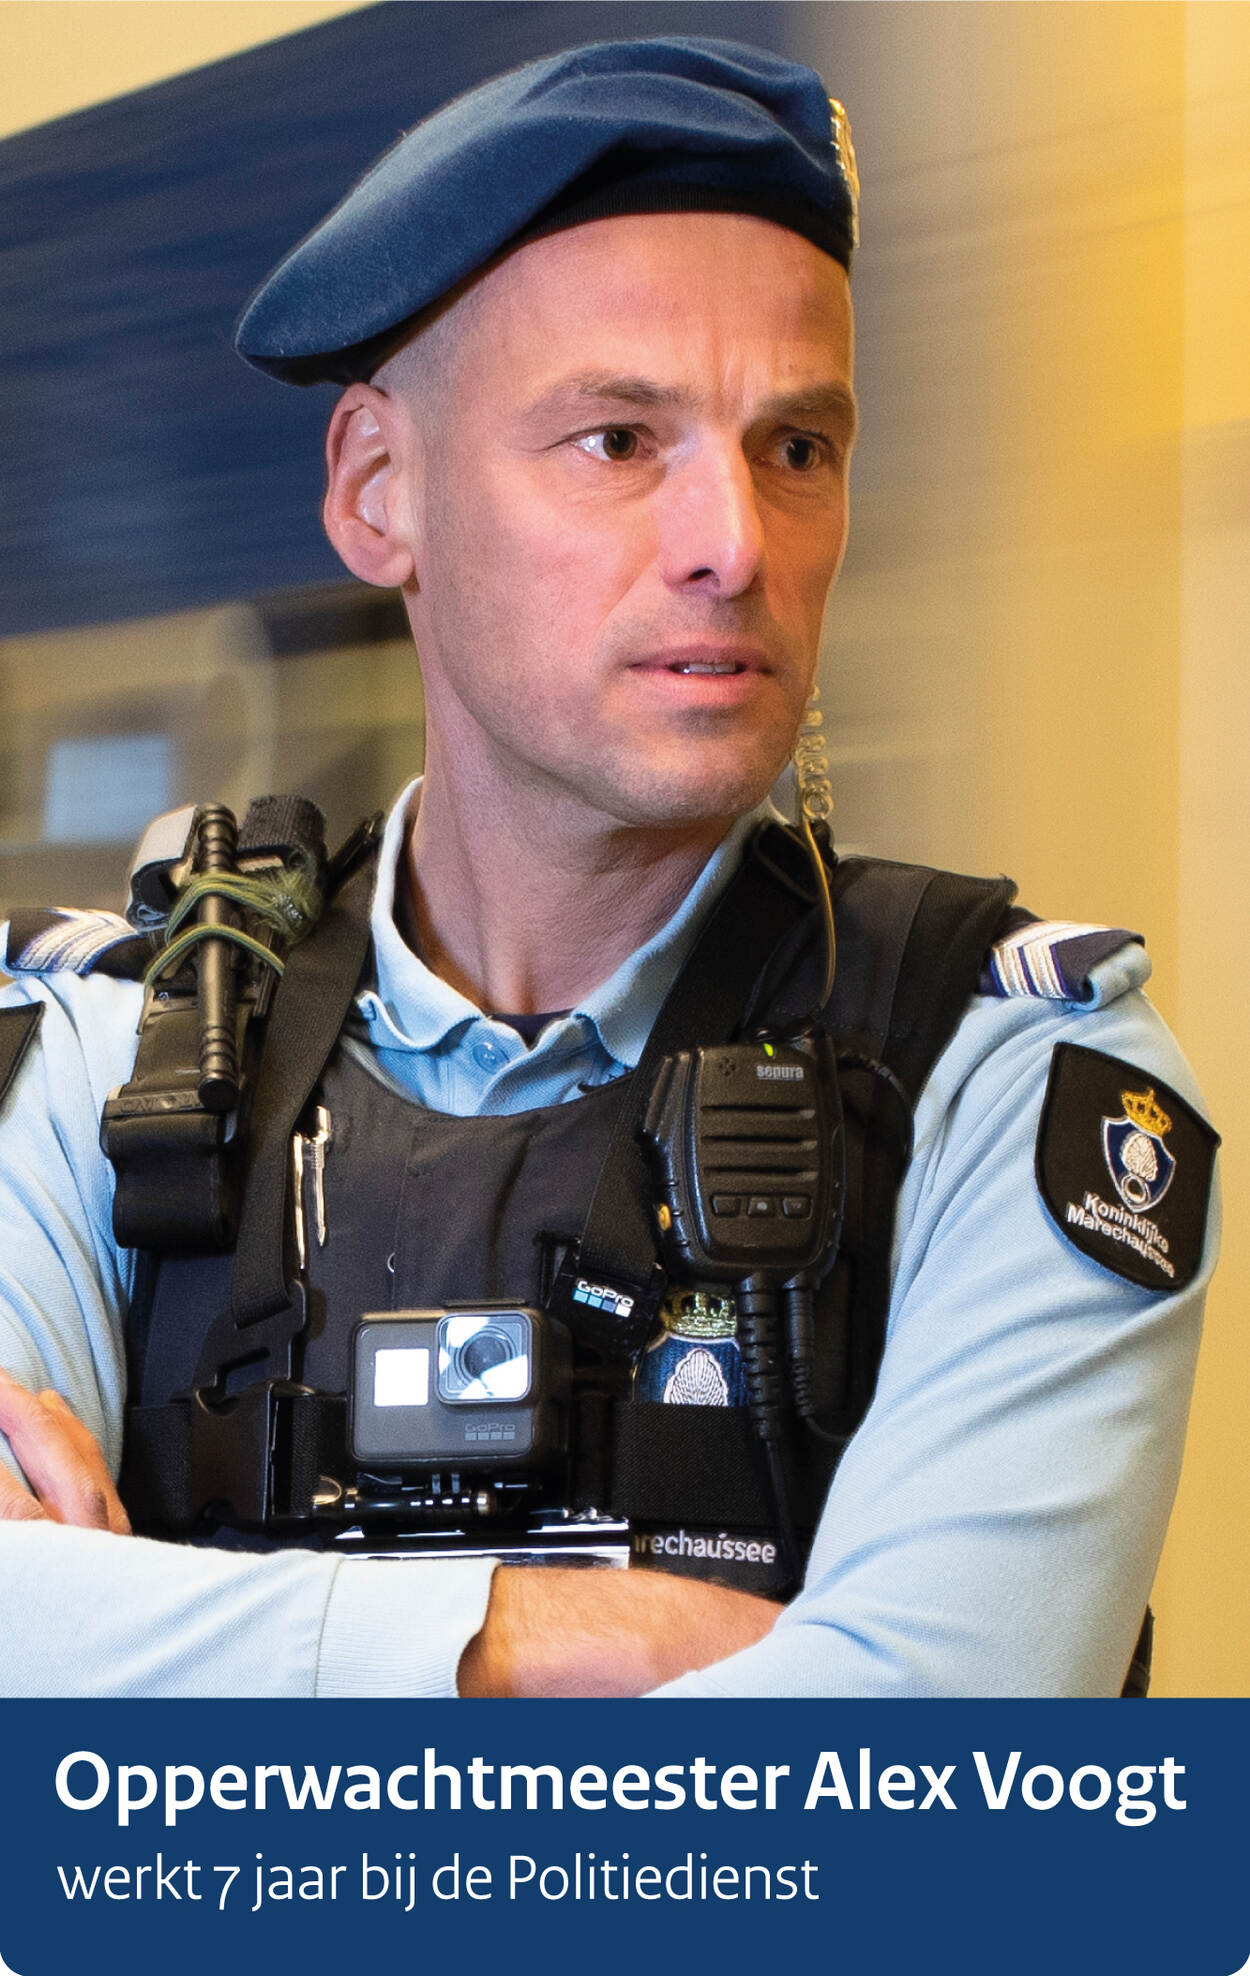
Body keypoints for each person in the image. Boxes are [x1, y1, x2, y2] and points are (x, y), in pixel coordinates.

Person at [0, 38, 1218, 1699]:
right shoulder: (102, 1061)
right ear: (378, 490)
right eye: (619, 439)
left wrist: (155, 1649)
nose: (734, 542)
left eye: (797, 448)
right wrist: (529, 1640)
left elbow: (913, 1783)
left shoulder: (997, 1076)